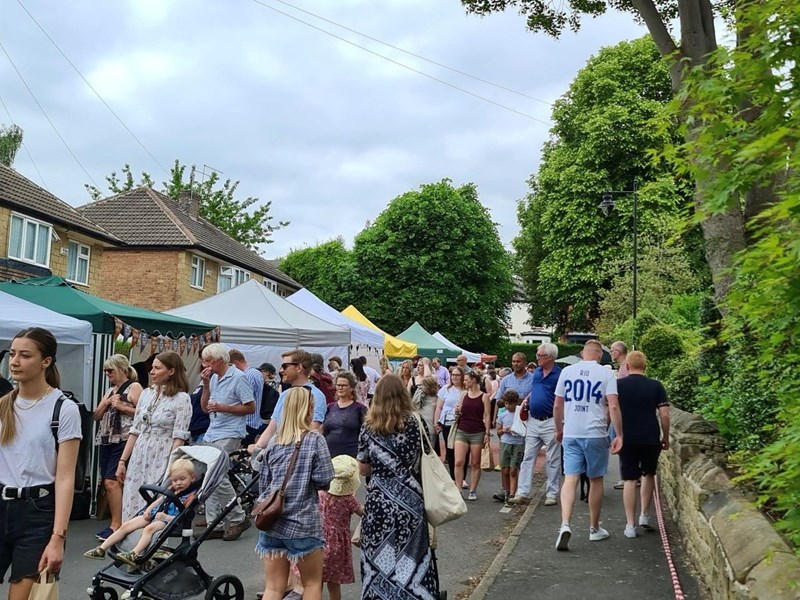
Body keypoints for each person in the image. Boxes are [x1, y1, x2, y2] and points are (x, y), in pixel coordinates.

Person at [0, 327, 81, 597]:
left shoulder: (64, 409)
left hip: (37, 514)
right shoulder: (3, 406)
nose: (14, 361)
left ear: (46, 361)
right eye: (12, 354)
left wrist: (58, 537)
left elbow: (66, 477)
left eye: (25, 355)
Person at [358, 375, 438, 598]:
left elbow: (363, 468)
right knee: (410, 556)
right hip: (411, 498)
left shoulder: (369, 425)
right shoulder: (416, 422)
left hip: (379, 500)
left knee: (378, 556)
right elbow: (426, 457)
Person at [256, 387, 334, 600]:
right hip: (303, 520)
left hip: (272, 520)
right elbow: (325, 479)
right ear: (308, 409)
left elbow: (264, 485)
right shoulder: (315, 440)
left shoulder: (274, 442)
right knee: (311, 583)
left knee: (273, 587)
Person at [553, 340, 622, 551]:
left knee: (571, 478)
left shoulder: (567, 372)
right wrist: (619, 434)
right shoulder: (607, 374)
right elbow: (613, 405)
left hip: (572, 431)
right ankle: (594, 528)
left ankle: (565, 523)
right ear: (600, 355)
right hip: (595, 432)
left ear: (583, 353)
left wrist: (559, 429)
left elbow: (557, 404)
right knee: (595, 479)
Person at [118, 351, 191, 522]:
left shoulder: (182, 399)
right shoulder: (146, 394)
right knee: (132, 495)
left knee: (154, 498)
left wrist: (171, 467)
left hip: (163, 453)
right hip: (140, 452)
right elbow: (135, 430)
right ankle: (127, 544)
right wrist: (122, 461)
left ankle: (150, 545)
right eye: (152, 368)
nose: (151, 372)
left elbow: (179, 437)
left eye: (157, 368)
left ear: (171, 371)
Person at [83, 458, 197, 565]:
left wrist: (165, 517)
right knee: (126, 525)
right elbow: (160, 500)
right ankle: (101, 549)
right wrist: (148, 510)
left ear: (192, 477)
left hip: (170, 520)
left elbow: (184, 516)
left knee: (149, 529)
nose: (178, 483)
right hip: (156, 514)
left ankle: (134, 553)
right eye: (175, 480)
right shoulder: (173, 490)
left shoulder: (190, 496)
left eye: (182, 479)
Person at [199, 343, 254, 541]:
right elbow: (205, 408)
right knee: (209, 474)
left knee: (216, 473)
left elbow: (250, 407)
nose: (204, 364)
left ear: (219, 360)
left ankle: (237, 517)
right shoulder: (213, 378)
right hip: (213, 430)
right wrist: (205, 385)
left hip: (230, 431)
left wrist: (224, 407)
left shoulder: (238, 378)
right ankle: (216, 522)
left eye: (207, 360)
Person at [617, 351, 670, 538]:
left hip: (627, 437)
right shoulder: (656, 386)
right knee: (649, 474)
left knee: (630, 479)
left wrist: (614, 435)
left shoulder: (618, 385)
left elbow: (612, 410)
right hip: (650, 436)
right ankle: (644, 515)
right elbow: (664, 414)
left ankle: (630, 525)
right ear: (645, 366)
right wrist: (666, 436)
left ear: (628, 366)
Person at [94, 354, 143, 541]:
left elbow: (143, 413)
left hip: (124, 439)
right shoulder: (109, 390)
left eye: (110, 370)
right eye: (105, 371)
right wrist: (106, 403)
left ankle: (116, 524)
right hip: (107, 438)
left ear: (122, 369)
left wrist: (122, 406)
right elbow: (97, 416)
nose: (107, 374)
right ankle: (120, 521)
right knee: (108, 481)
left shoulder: (134, 386)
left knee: (112, 481)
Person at [509, 343, 562, 507]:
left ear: (550, 357)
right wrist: (528, 400)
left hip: (550, 421)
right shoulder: (537, 373)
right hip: (533, 419)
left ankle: (552, 493)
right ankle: (522, 492)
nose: (537, 358)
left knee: (553, 458)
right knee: (528, 457)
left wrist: (561, 423)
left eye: (540, 355)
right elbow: (536, 390)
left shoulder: (559, 374)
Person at [319, 455, 363, 600]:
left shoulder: (321, 493)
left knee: (315, 581)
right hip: (337, 545)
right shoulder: (349, 499)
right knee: (333, 584)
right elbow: (362, 512)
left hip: (319, 540)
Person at [454, 371, 491, 500]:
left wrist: (487, 432)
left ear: (474, 380)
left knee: (475, 463)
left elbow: (487, 415)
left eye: (467, 380)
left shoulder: (484, 396)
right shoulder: (463, 394)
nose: (465, 382)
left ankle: (473, 490)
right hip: (462, 429)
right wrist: (457, 411)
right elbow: (459, 411)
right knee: (459, 461)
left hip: (477, 431)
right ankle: (458, 488)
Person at [322, 372, 367, 459]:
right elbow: (323, 431)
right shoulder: (329, 407)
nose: (340, 388)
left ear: (351, 388)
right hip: (330, 455)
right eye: (338, 385)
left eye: (344, 385)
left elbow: (366, 434)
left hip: (351, 456)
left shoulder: (360, 409)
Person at [433, 366, 466, 480]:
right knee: (450, 450)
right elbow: (439, 407)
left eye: (457, 375)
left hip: (462, 423)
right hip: (447, 422)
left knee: (463, 452)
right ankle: (453, 477)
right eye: (453, 375)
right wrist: (436, 422)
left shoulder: (466, 390)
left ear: (462, 376)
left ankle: (462, 478)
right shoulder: (445, 389)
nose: (455, 377)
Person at [493, 390, 525, 503]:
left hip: (517, 443)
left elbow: (524, 428)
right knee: (505, 469)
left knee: (513, 469)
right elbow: (498, 432)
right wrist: (503, 430)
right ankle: (506, 490)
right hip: (505, 443)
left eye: (511, 404)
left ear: (516, 403)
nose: (508, 406)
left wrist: (516, 430)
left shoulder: (519, 414)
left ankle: (512, 493)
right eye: (506, 403)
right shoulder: (502, 415)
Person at [229, 349, 265, 446]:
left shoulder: (246, 376)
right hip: (252, 422)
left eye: (229, 366)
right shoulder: (254, 373)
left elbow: (242, 399)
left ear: (235, 363)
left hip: (247, 423)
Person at [610, 340, 630, 490]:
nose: (611, 353)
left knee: (622, 444)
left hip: (624, 413)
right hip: (623, 412)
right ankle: (627, 476)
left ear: (618, 351)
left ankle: (628, 477)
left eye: (612, 351)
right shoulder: (623, 367)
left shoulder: (625, 368)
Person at [412, 376, 439, 454]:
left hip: (431, 427)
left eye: (423, 385)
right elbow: (414, 406)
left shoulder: (438, 397)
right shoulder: (419, 395)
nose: (421, 387)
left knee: (430, 451)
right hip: (420, 425)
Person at [189, 363, 210, 444]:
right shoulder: (201, 383)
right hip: (194, 429)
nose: (204, 364)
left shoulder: (212, 381)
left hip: (204, 428)